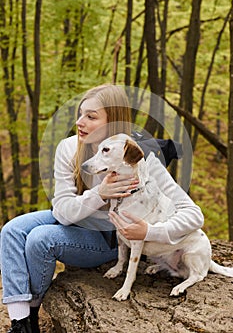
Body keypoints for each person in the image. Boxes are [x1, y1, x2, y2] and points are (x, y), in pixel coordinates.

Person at [0, 84, 204, 333]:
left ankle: (32, 309)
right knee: (11, 230)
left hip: (110, 238)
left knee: (41, 239)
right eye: (80, 113)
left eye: (91, 116)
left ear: (113, 123)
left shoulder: (141, 156)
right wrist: (99, 193)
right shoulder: (68, 148)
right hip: (76, 217)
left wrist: (149, 232)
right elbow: (62, 212)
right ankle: (22, 323)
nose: (79, 122)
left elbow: (193, 214)